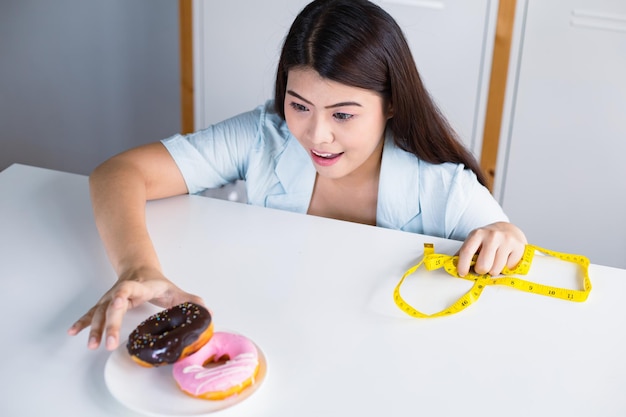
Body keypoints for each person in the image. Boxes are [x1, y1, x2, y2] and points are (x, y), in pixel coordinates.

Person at [68, 0, 527, 350]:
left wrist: (505, 236)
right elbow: (119, 173)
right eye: (299, 105)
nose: (316, 136)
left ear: (391, 105)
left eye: (343, 115)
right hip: (283, 338)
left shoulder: (443, 187)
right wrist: (139, 267)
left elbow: (504, 243)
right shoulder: (264, 135)